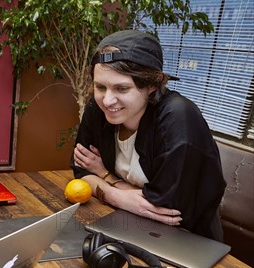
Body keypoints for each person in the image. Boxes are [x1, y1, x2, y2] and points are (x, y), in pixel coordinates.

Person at [72, 30, 226, 241]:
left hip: (186, 240)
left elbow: (164, 211)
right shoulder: (98, 108)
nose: (107, 100)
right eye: (100, 87)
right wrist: (120, 195)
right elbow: (81, 171)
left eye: (122, 88)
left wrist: (105, 178)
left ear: (152, 85)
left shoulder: (179, 118)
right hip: (126, 223)